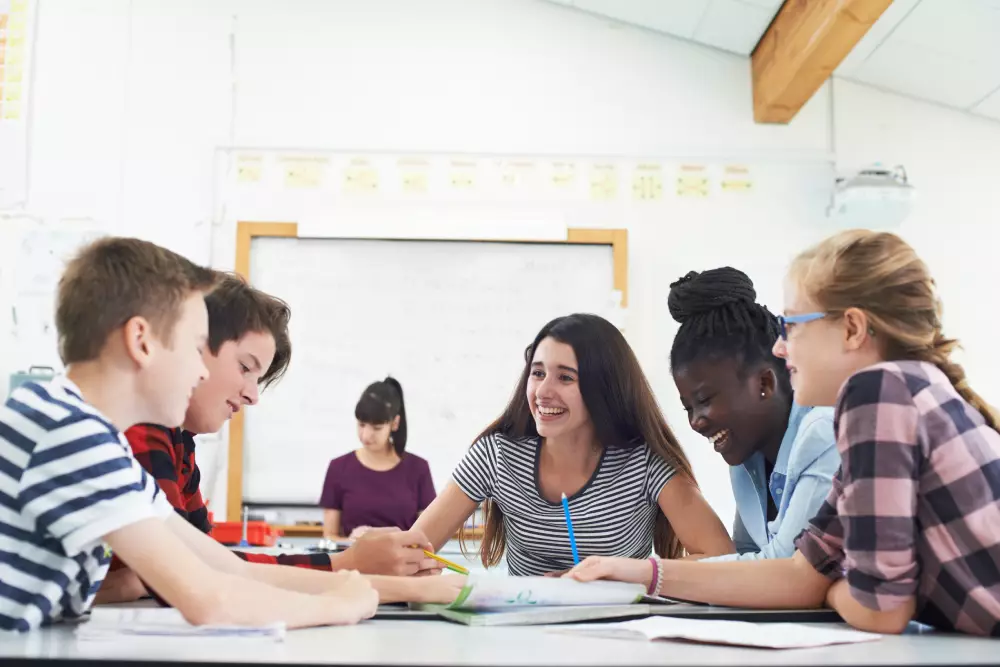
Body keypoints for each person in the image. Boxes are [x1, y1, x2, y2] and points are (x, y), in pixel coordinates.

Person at [565, 231, 1000, 637]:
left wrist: (831, 591)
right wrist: (642, 572)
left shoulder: (878, 393)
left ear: (851, 328)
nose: (779, 347)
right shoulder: (900, 395)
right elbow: (800, 573)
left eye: (791, 326)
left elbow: (881, 609)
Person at [0, 238, 377, 631]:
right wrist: (343, 605)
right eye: (195, 348)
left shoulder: (92, 436)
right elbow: (209, 601)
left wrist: (352, 587)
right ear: (141, 341)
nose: (200, 371)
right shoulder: (68, 432)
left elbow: (227, 570)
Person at [99, 274, 453, 606]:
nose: (253, 396)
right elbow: (194, 574)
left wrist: (353, 566)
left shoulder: (178, 441)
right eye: (245, 367)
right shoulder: (141, 426)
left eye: (258, 377)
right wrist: (358, 569)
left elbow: (211, 565)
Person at [414, 313, 734, 576]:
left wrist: (618, 575)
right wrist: (417, 566)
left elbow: (720, 559)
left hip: (620, 637)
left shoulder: (644, 461)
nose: (542, 391)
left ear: (604, 387)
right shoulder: (497, 455)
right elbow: (415, 549)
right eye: (537, 373)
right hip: (524, 636)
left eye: (565, 378)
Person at [667, 267, 838, 560]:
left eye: (704, 399)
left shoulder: (824, 432)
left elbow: (784, 568)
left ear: (764, 383)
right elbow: (747, 554)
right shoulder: (746, 461)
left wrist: (651, 574)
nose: (696, 421)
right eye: (688, 407)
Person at [321, 377, 436, 541]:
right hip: (353, 564)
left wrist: (392, 539)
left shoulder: (418, 469)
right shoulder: (338, 467)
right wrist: (351, 542)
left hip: (404, 563)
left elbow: (429, 536)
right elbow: (329, 536)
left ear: (395, 423)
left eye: (377, 428)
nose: (366, 435)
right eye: (361, 425)